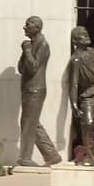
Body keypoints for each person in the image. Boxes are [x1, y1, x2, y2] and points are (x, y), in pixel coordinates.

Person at [17, 16, 62, 167]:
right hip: (28, 88)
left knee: (28, 123)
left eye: (28, 25)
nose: (24, 27)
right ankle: (51, 155)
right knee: (32, 123)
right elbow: (21, 68)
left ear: (36, 27)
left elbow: (33, 67)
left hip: (35, 89)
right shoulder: (31, 44)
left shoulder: (43, 44)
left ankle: (26, 158)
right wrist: (25, 52)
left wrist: (27, 50)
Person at [66, 26, 94, 156]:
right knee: (88, 123)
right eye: (82, 35)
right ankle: (89, 154)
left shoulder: (93, 51)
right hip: (87, 94)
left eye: (87, 33)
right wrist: (74, 104)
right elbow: (74, 83)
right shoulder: (76, 59)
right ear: (75, 41)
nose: (87, 36)